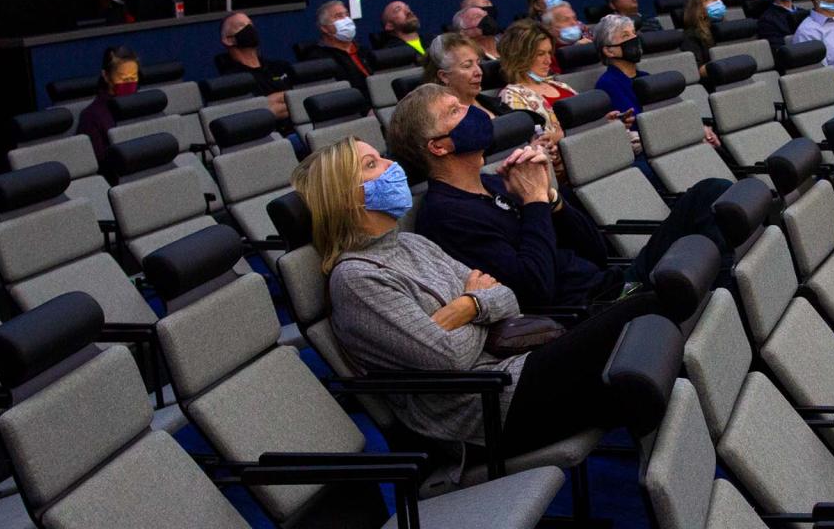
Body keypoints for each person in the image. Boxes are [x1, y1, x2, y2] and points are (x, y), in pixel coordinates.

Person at [295, 137, 701, 459]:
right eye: (372, 166)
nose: (391, 166)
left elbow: (507, 298)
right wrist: (475, 303)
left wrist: (465, 308)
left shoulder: (413, 244)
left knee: (642, 342)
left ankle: (686, 441)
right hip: (488, 408)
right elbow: (446, 360)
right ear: (347, 198)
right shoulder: (357, 279)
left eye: (381, 156)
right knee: (644, 310)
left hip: (516, 369)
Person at [387, 84, 732, 308]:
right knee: (706, 266)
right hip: (593, 312)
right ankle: (727, 306)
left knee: (711, 193)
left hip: (613, 282)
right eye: (454, 111)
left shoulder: (496, 184)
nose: (472, 111)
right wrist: (535, 202)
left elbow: (596, 252)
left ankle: (730, 298)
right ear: (439, 146)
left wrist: (552, 200)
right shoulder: (445, 215)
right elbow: (534, 291)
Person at [593, 14, 719, 147]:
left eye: (634, 33)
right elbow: (642, 124)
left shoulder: (646, 76)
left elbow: (676, 110)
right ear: (609, 51)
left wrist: (702, 128)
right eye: (625, 36)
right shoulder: (607, 84)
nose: (634, 39)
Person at [219, 12, 292, 120]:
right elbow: (257, 112)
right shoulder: (233, 80)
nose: (249, 28)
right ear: (228, 40)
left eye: (250, 24)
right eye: (241, 26)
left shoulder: (280, 66)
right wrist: (292, 97)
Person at [424, 32, 510, 119]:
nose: (479, 72)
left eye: (478, 63)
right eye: (467, 66)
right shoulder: (443, 121)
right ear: (444, 76)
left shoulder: (495, 103)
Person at [76, 45, 140, 163]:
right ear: (106, 76)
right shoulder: (91, 116)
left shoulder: (142, 105)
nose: (129, 84)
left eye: (133, 78)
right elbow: (100, 162)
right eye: (124, 79)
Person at [314, 0, 373, 96]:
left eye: (347, 15)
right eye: (339, 16)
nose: (347, 20)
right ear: (325, 28)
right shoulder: (321, 59)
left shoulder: (363, 50)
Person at [680, 0, 727, 76]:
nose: (715, 0)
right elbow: (697, 70)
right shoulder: (691, 36)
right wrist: (721, 66)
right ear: (699, 9)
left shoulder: (729, 28)